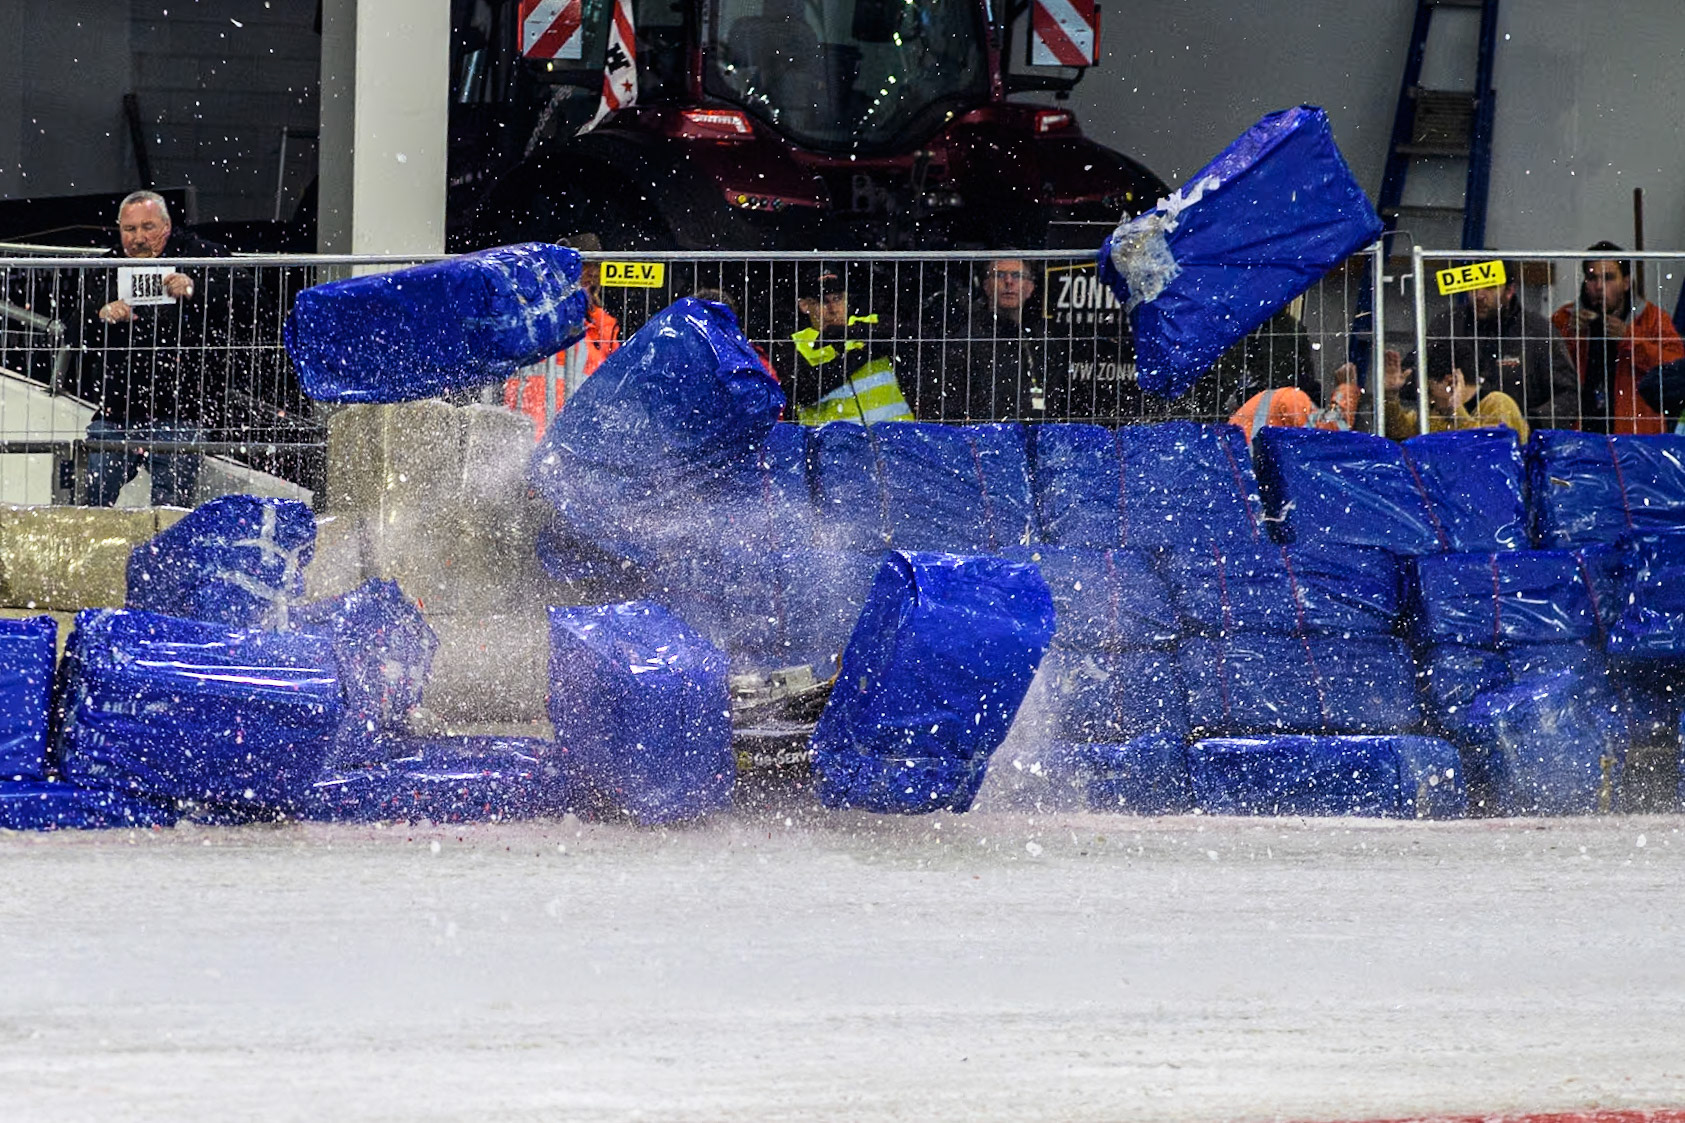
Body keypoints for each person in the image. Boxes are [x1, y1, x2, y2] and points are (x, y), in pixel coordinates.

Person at [71, 190, 243, 507]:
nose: (138, 238)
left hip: (183, 409)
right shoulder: (106, 265)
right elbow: (74, 326)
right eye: (129, 229)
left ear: (166, 226)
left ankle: (164, 555)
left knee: (171, 508)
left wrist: (195, 289)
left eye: (147, 227)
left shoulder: (201, 255)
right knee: (92, 504)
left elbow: (249, 300)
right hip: (117, 411)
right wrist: (101, 315)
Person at [1421, 258, 1580, 432]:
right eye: (1472, 286)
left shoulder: (1538, 332)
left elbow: (1570, 396)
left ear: (1510, 290)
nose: (1479, 295)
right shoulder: (1447, 325)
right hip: (1453, 438)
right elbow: (1414, 376)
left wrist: (1530, 423)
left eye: (1489, 287)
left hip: (1520, 445)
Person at [1551, 242, 1685, 435]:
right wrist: (1570, 336)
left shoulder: (1653, 319)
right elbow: (1546, 371)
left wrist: (1629, 339)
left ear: (1626, 282)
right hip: (1578, 434)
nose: (1599, 287)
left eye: (1609, 278)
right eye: (1592, 278)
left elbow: (1676, 370)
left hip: (1635, 437)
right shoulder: (1564, 319)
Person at [504, 233, 620, 438]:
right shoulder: (542, 315)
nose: (592, 273)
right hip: (532, 424)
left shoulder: (604, 324)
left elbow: (614, 379)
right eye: (585, 265)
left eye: (597, 266)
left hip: (578, 430)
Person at [773, 266, 911, 425]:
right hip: (834, 444)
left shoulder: (870, 324)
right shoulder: (794, 344)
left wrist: (854, 332)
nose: (833, 310)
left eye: (838, 298)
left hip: (895, 437)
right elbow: (802, 391)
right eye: (823, 301)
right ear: (804, 305)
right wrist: (862, 355)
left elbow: (919, 336)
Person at [1381, 343, 1528, 443]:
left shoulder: (1498, 404)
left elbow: (1488, 452)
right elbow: (1398, 431)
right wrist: (1390, 396)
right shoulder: (1436, 414)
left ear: (1449, 382)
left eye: (1427, 388)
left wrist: (1458, 414)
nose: (1426, 396)